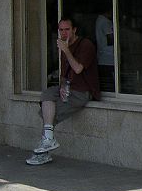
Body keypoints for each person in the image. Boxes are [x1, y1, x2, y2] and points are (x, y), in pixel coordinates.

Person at [26, 17, 100, 165]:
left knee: (49, 115)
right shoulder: (64, 47)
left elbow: (78, 69)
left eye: (67, 29)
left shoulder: (85, 45)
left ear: (74, 30)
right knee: (47, 94)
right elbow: (63, 74)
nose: (64, 33)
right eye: (61, 30)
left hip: (82, 91)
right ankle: (48, 140)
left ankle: (43, 153)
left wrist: (66, 51)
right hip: (68, 88)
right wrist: (61, 87)